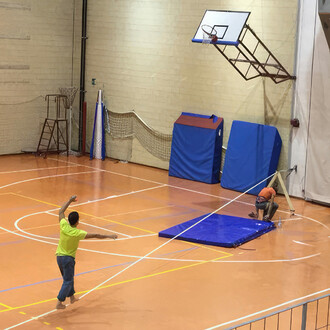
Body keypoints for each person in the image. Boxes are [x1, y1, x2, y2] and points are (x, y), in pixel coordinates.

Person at [55, 195, 117, 310]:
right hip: (68, 259)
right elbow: (96, 235)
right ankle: (59, 302)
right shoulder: (78, 233)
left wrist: (69, 200)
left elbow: (61, 211)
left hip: (59, 257)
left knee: (68, 278)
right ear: (77, 222)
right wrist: (110, 236)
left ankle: (72, 297)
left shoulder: (63, 225)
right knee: (68, 280)